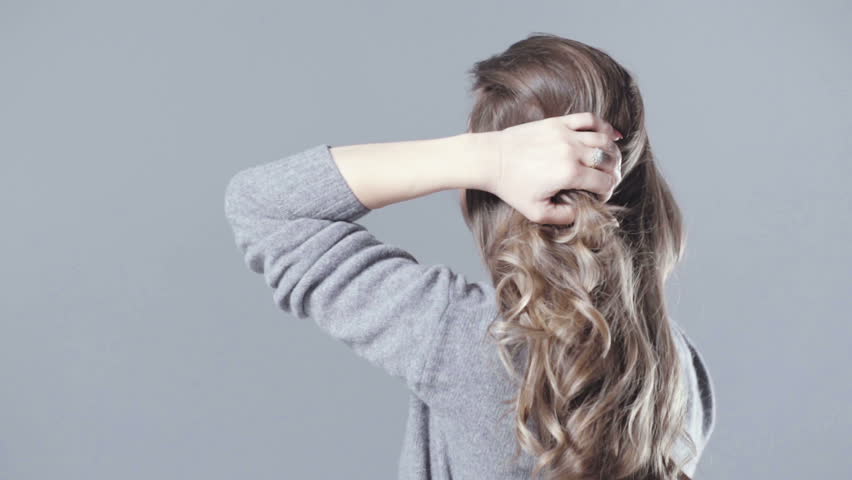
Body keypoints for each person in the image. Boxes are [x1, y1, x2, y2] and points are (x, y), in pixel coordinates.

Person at [223, 33, 715, 480]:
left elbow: (263, 206)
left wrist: (485, 156)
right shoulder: (679, 367)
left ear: (488, 194)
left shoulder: (469, 341)